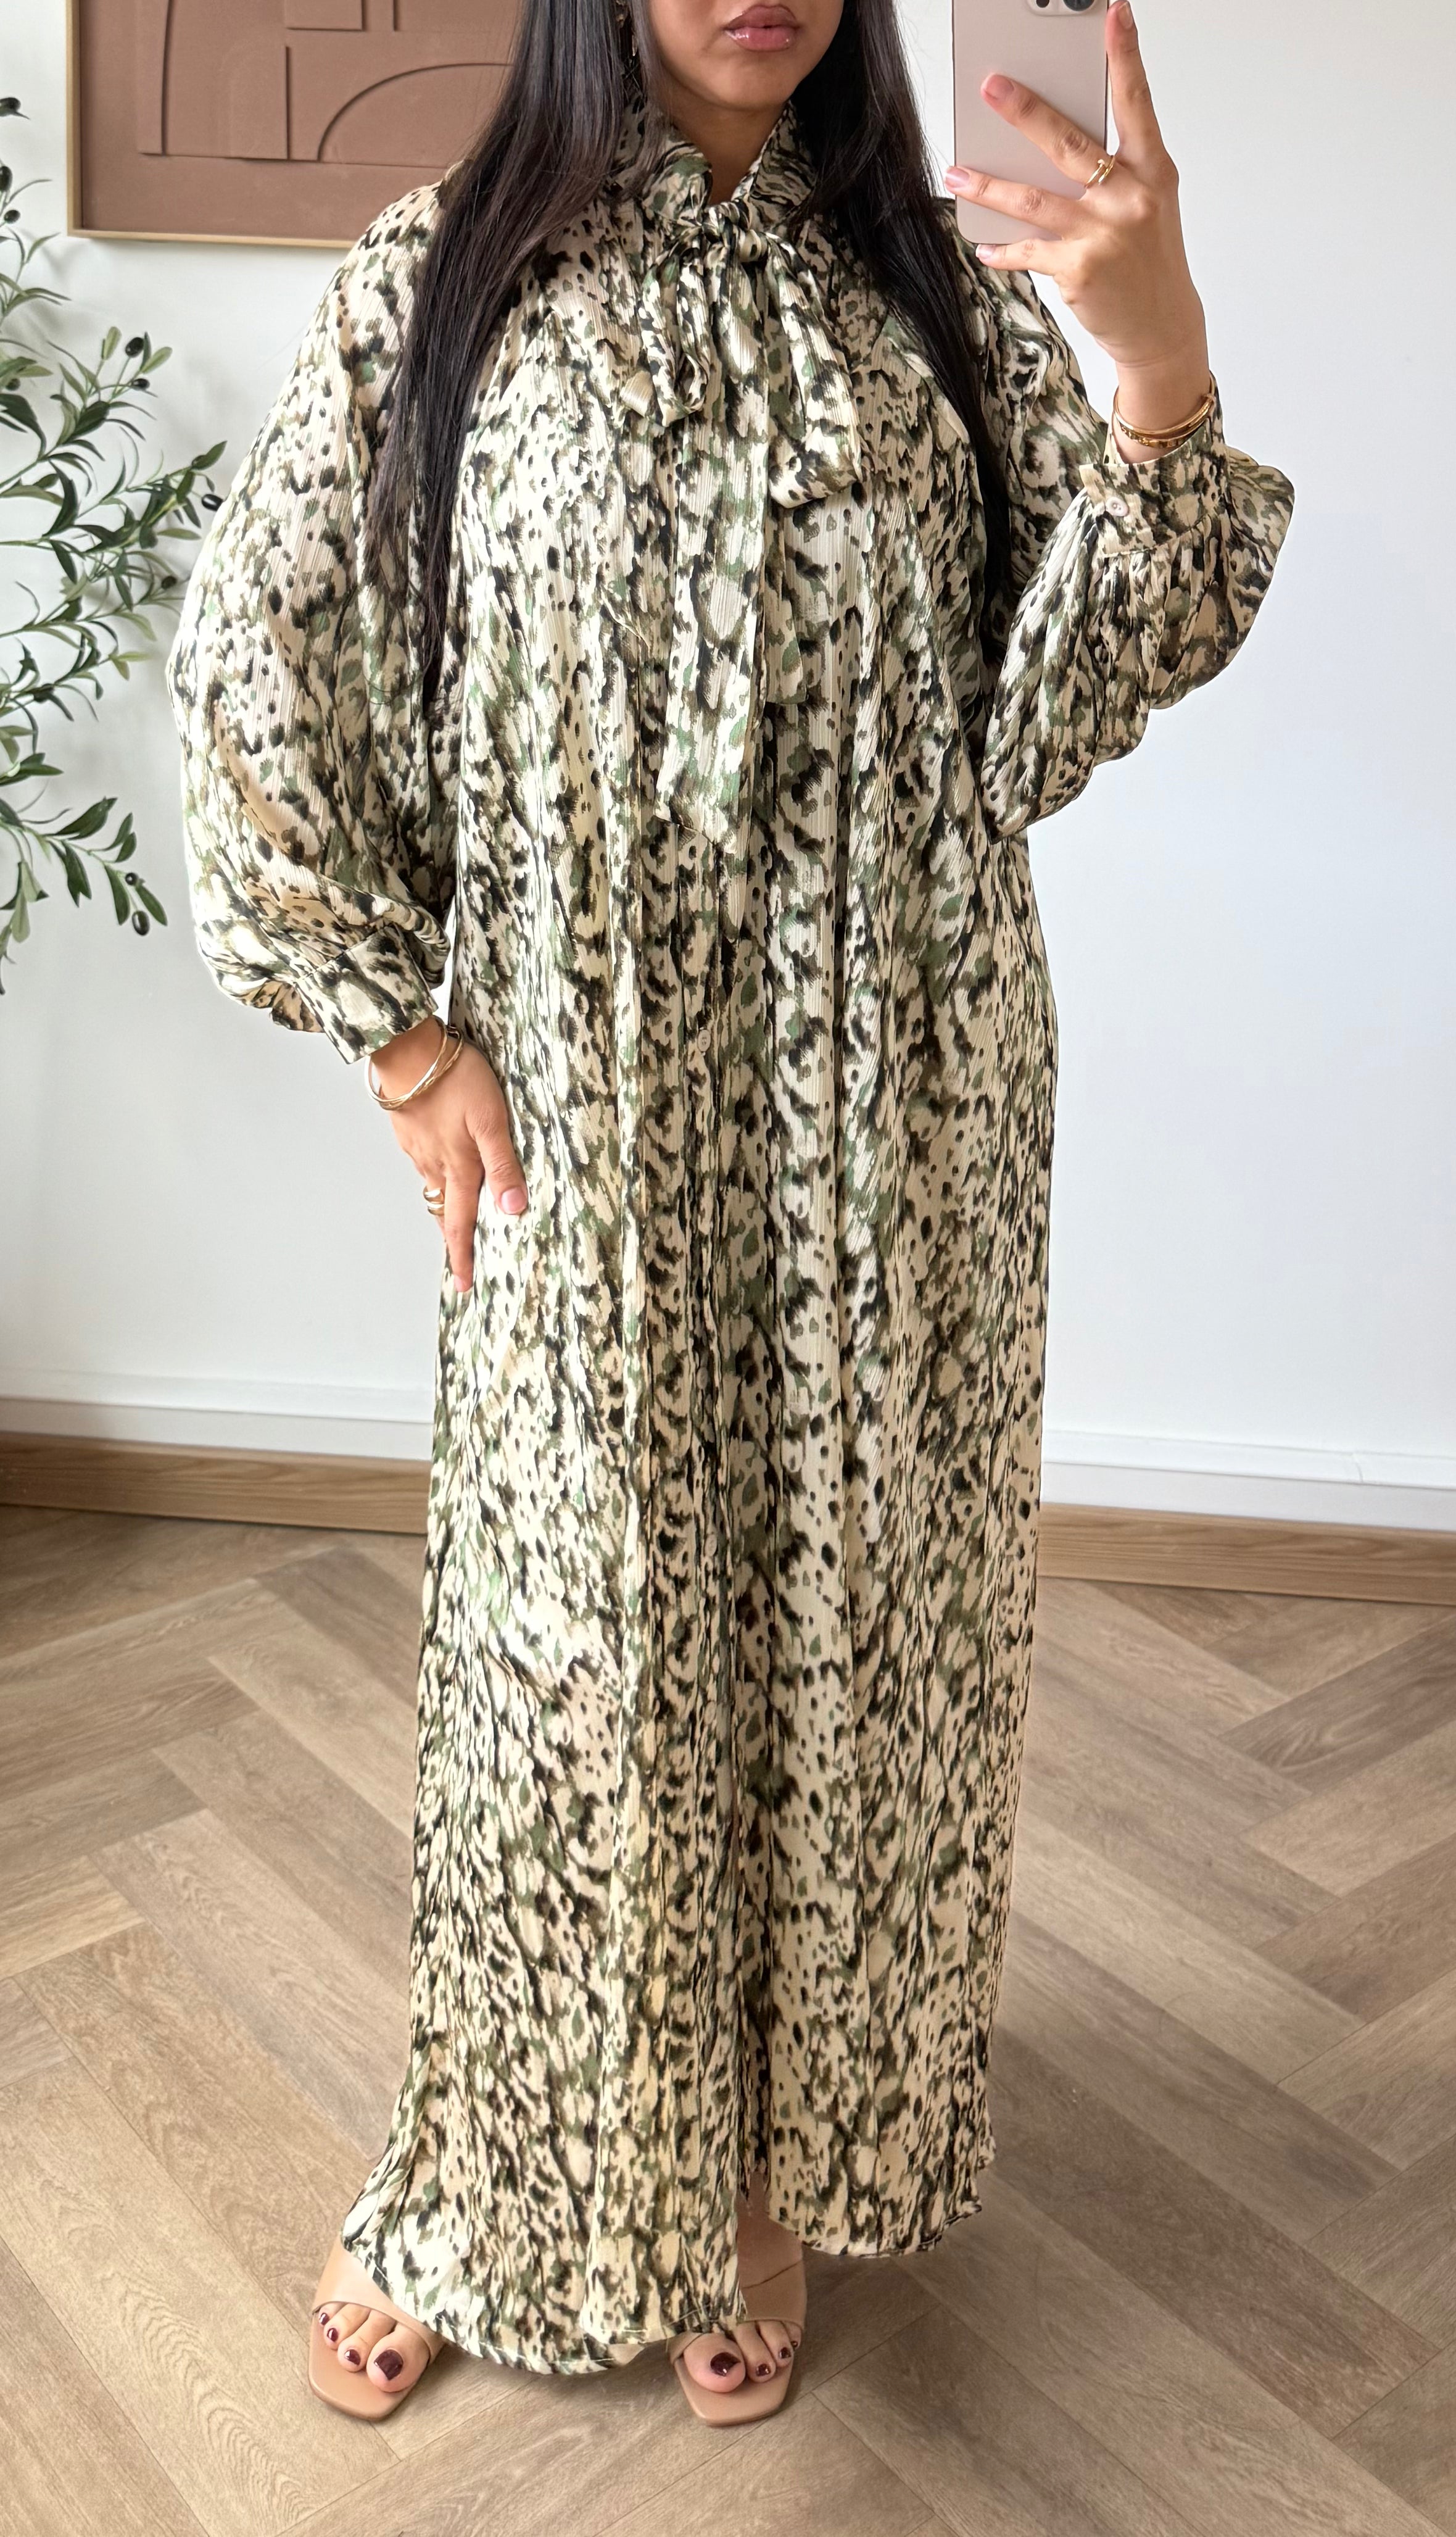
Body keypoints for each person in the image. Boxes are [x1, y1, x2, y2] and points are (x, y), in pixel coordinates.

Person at [165, 0, 1292, 2432]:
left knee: (852, 1666)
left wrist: (1157, 357)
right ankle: (483, 2182)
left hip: (905, 1119)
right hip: (591, 1117)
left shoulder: (935, 291)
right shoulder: (441, 282)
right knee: (573, 1678)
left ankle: (758, 2176)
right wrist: (398, 1031)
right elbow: (262, 664)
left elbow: (1066, 694)